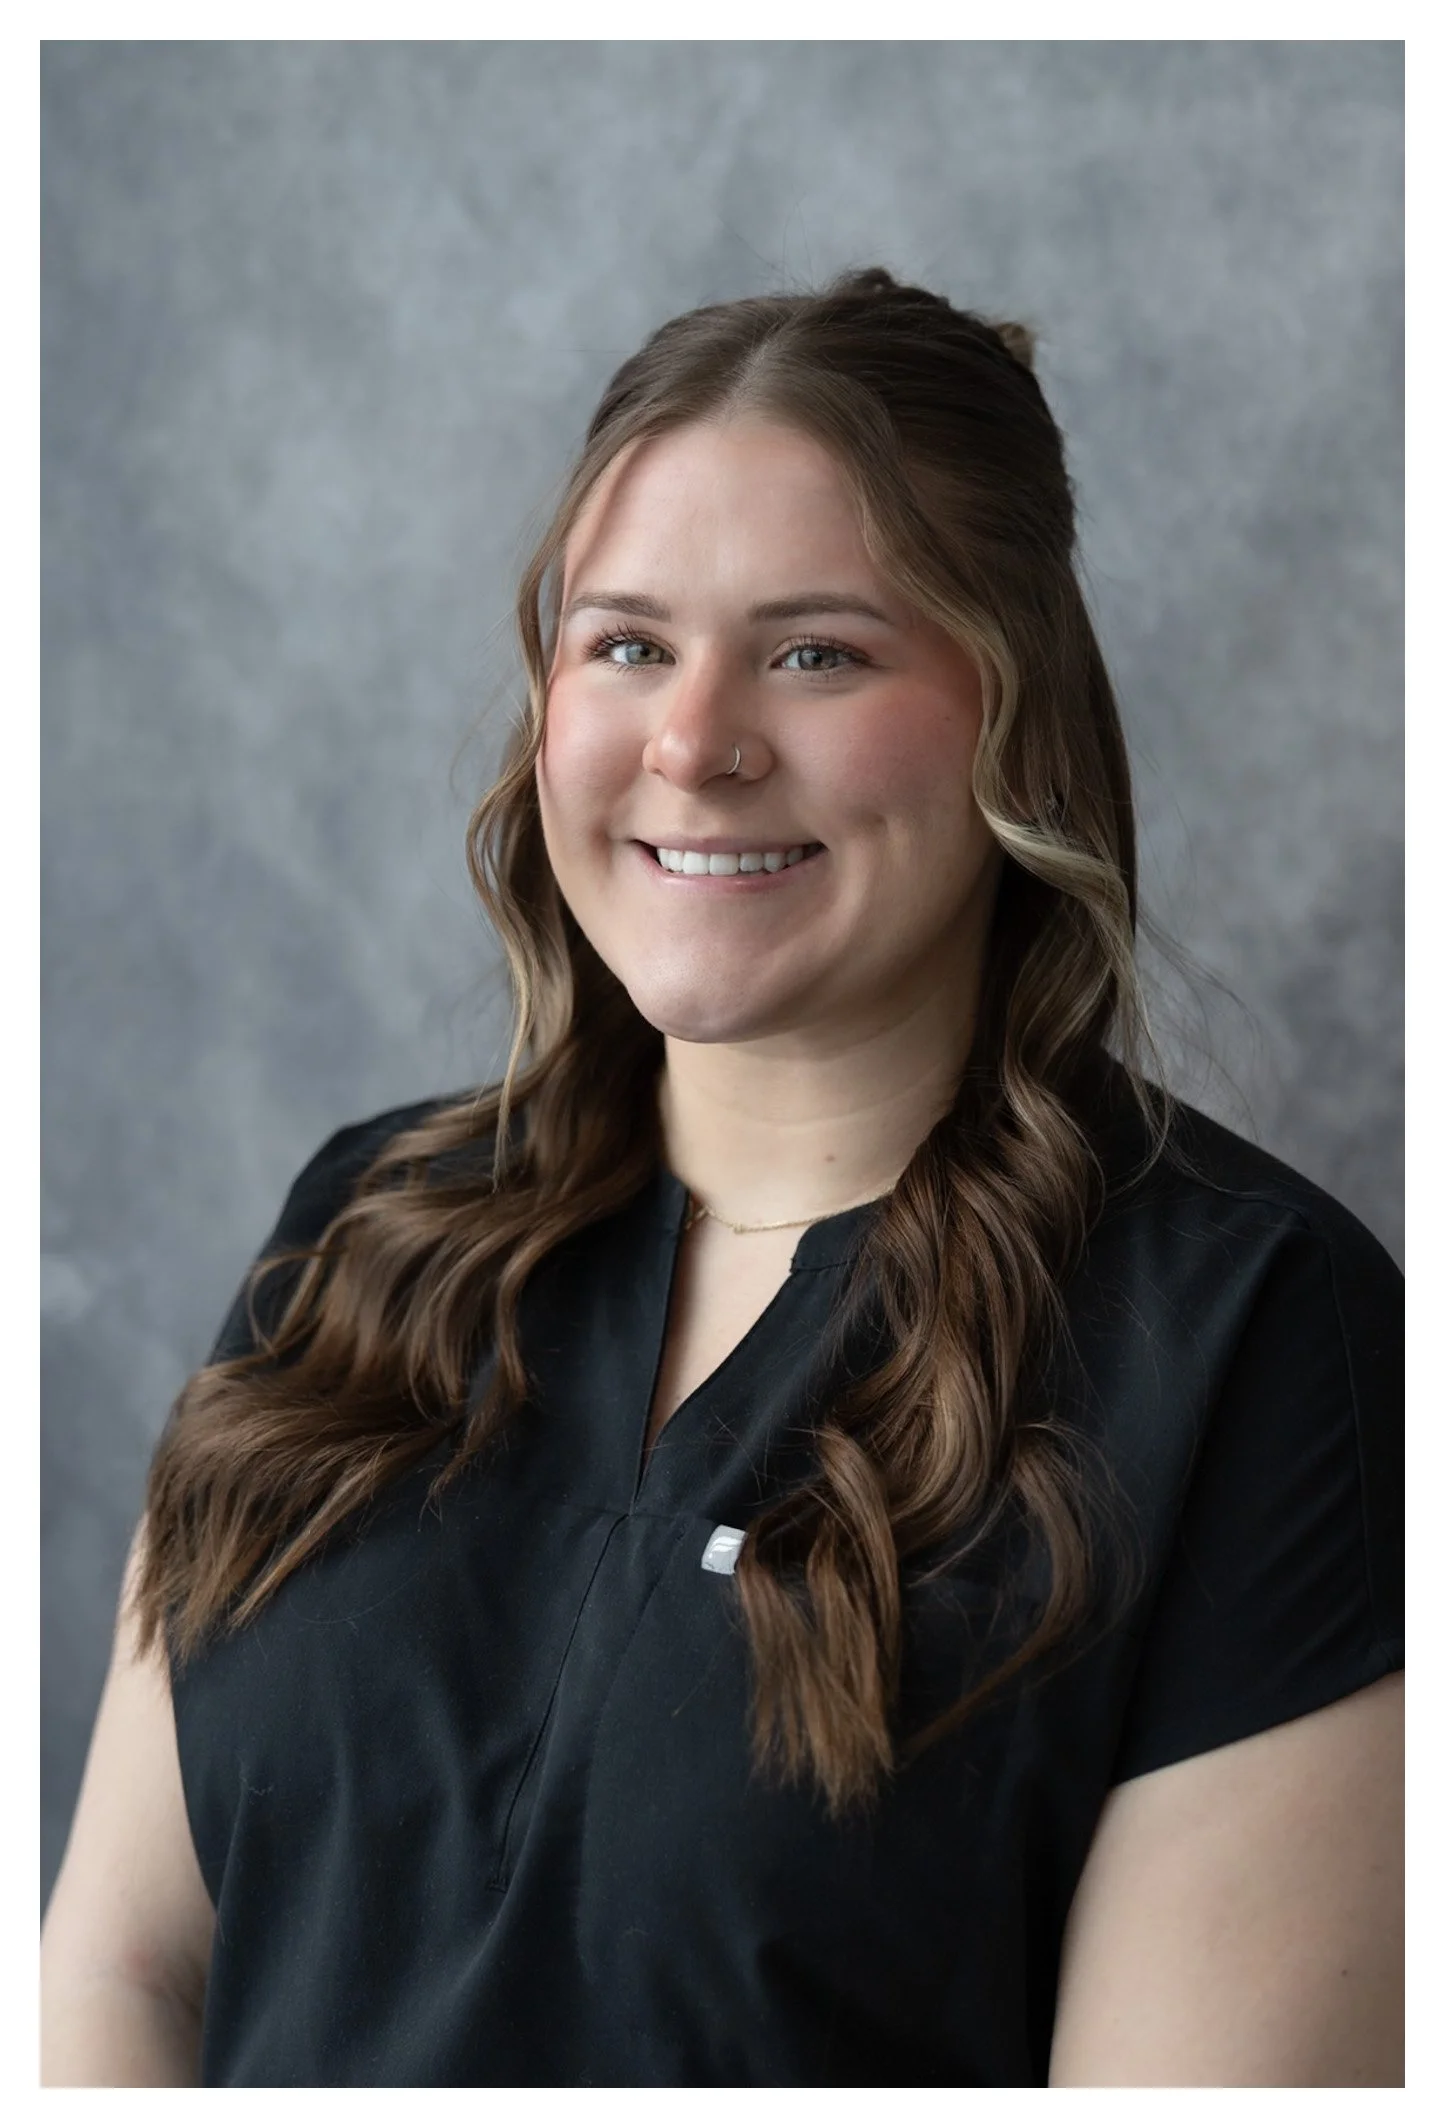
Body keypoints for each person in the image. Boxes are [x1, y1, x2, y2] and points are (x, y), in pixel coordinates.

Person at [40, 266, 1404, 2088]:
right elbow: (120, 1974)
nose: (695, 742)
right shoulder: (359, 1237)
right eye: (627, 645)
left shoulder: (1254, 1345)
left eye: (816, 650)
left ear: (1014, 712)